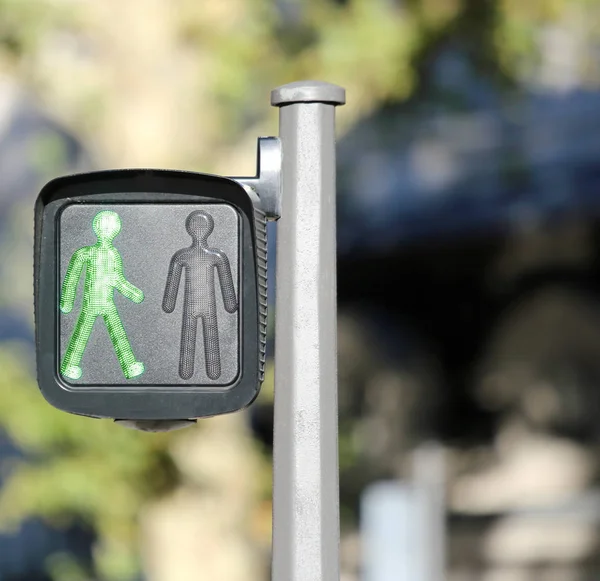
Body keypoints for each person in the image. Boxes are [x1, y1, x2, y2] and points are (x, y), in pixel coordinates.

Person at [60, 210, 144, 380]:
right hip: (93, 302)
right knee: (84, 332)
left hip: (106, 302)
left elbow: (116, 279)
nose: (107, 232)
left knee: (115, 332)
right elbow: (72, 277)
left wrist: (133, 293)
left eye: (110, 228)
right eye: (105, 228)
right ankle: (69, 365)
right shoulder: (86, 253)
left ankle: (129, 366)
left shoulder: (112, 254)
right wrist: (67, 301)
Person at [163, 210, 237, 380]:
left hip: (198, 303)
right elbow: (173, 282)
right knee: (200, 336)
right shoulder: (202, 256)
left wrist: (169, 303)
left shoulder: (207, 256)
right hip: (202, 304)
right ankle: (201, 373)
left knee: (197, 337)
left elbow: (226, 283)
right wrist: (230, 303)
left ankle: (204, 373)